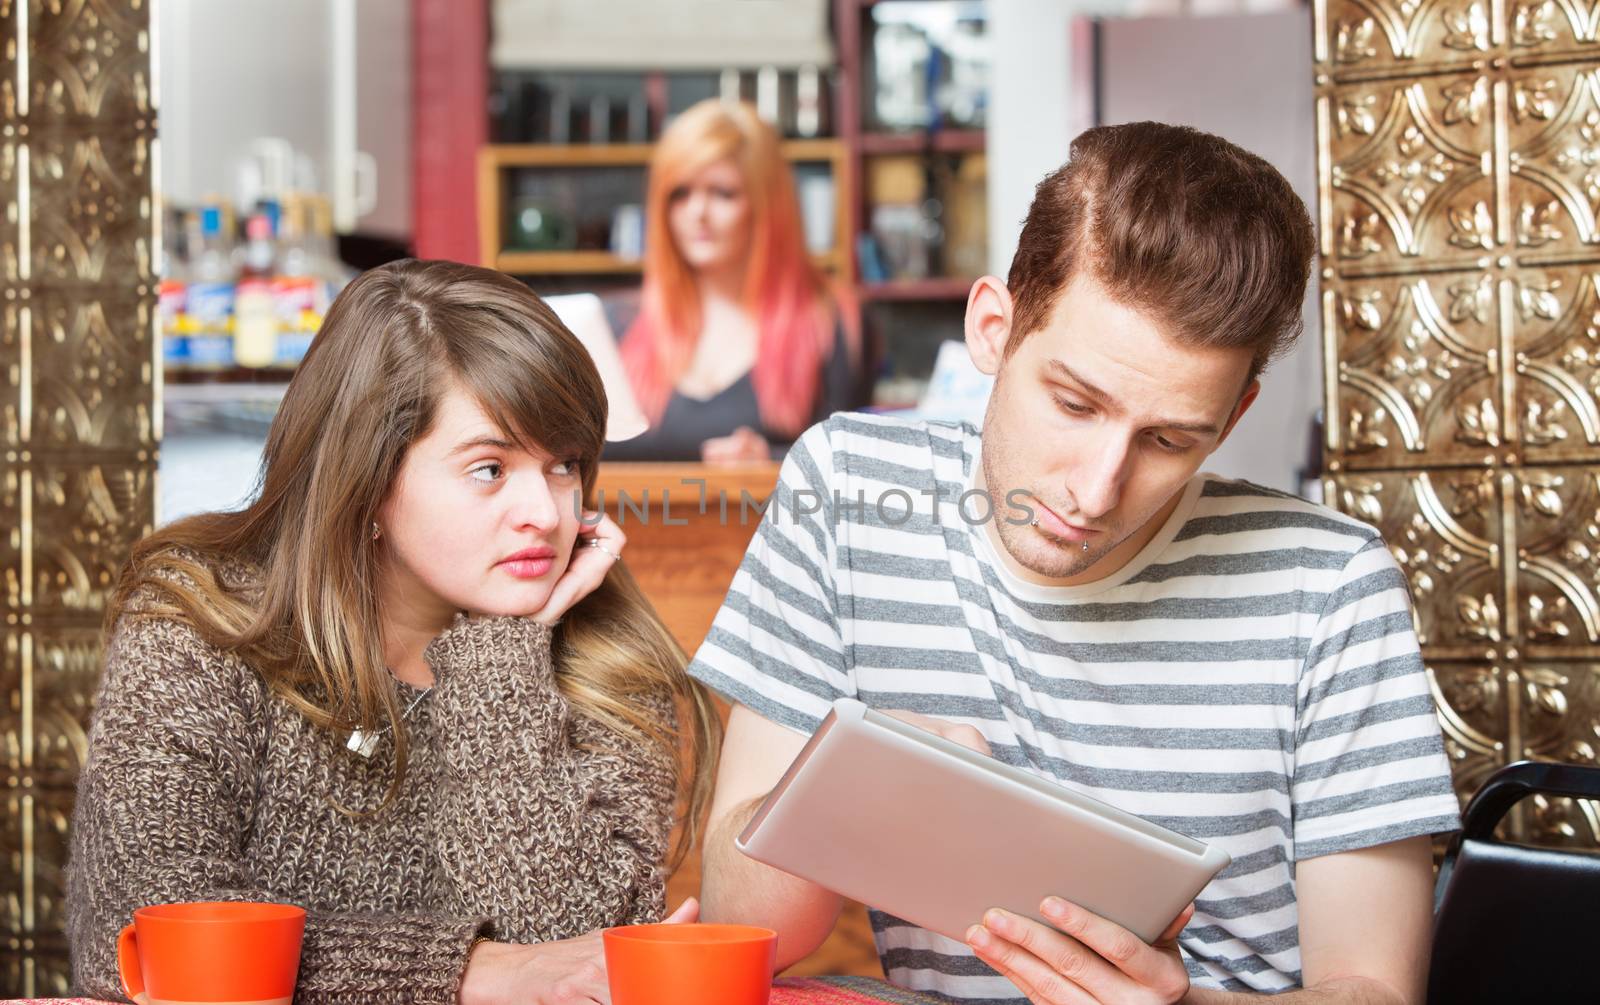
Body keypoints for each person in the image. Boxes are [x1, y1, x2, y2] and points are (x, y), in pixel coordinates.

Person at [688, 122, 1461, 1004]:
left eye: (1169, 439)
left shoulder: (1331, 587)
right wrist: (852, 784)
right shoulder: (847, 491)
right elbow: (745, 929)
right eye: (1073, 402)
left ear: (1234, 418)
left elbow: (1372, 990)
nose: (1097, 491)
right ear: (993, 328)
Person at [66, 259, 723, 1005]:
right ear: (368, 478)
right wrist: (467, 971)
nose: (544, 510)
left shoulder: (609, 662)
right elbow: (149, 932)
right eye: (489, 468)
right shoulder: (203, 623)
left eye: (564, 465)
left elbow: (583, 961)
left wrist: (502, 660)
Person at [605, 99, 861, 464]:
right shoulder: (616, 327)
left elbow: (852, 474)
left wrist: (772, 463)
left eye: (723, 193)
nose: (698, 213)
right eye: (680, 193)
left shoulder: (832, 324)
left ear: (767, 204)